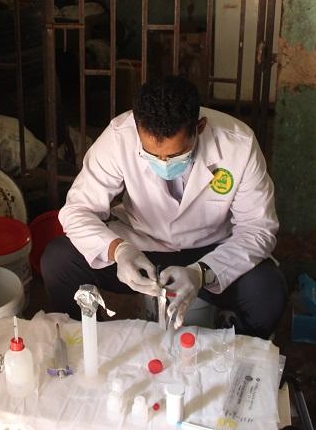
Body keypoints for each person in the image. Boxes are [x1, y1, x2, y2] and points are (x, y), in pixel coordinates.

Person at [42, 75, 286, 339]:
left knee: (268, 292)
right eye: (151, 154)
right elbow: (77, 210)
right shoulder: (119, 136)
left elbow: (258, 228)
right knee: (59, 260)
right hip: (141, 246)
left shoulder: (238, 144)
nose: (163, 163)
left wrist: (201, 273)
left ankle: (232, 350)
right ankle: (88, 343)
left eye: (175, 155)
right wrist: (118, 251)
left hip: (211, 250)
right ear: (137, 128)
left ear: (199, 127)